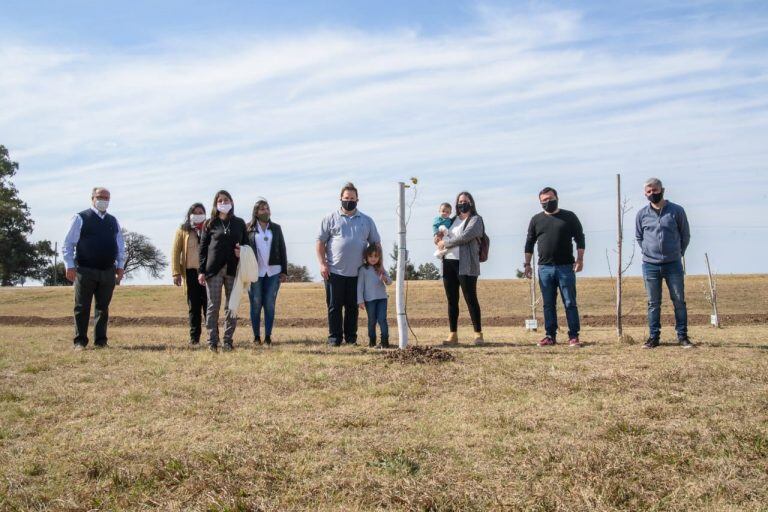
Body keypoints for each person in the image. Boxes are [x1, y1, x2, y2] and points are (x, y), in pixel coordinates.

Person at [316, 182, 381, 347]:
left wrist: (378, 265)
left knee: (353, 308)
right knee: (334, 307)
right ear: (340, 198)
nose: (349, 201)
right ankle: (334, 339)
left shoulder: (366, 221)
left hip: (358, 273)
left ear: (357, 199)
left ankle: (351, 338)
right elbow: (320, 243)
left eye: (352, 198)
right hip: (334, 272)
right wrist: (322, 264)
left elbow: (376, 244)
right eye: (346, 198)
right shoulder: (330, 218)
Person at [62, 187, 125, 350]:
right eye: (100, 197)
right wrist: (69, 265)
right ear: (92, 198)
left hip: (107, 270)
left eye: (106, 198)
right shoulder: (80, 218)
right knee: (82, 306)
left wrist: (120, 266)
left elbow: (120, 245)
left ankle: (101, 341)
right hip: (85, 269)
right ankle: (80, 341)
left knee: (103, 308)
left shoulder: (113, 220)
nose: (103, 200)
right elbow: (68, 244)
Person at [524, 187, 585, 348]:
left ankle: (573, 336)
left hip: (566, 267)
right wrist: (527, 264)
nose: (547, 202)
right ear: (540, 202)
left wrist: (580, 259)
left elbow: (580, 238)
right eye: (544, 200)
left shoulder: (569, 216)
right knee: (548, 304)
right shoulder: (536, 219)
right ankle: (550, 335)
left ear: (557, 198)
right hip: (544, 268)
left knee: (570, 302)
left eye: (550, 199)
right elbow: (529, 243)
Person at [635, 178, 692, 349]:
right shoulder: (642, 214)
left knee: (679, 300)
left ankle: (682, 336)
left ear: (663, 190)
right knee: (653, 303)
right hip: (650, 265)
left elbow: (685, 235)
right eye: (649, 191)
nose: (653, 194)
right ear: (645, 194)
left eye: (655, 190)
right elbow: (639, 237)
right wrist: (649, 253)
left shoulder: (676, 211)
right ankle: (654, 337)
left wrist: (678, 253)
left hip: (673, 264)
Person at [198, 190, 248, 352]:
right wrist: (201, 271)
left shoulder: (239, 223)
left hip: (233, 269)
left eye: (226, 200)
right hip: (213, 270)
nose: (223, 202)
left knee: (231, 306)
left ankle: (228, 341)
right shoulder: (209, 223)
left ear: (232, 202)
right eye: (220, 200)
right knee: (213, 306)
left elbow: (248, 245)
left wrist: (243, 251)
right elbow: (203, 249)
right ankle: (212, 341)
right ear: (216, 203)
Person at [435, 191, 485, 345]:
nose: (462, 203)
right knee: (452, 300)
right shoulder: (452, 220)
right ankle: (453, 334)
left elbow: (465, 236)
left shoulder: (476, 219)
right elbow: (441, 231)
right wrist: (436, 237)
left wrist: (446, 244)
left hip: (466, 264)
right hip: (448, 263)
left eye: (465, 200)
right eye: (460, 201)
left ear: (471, 202)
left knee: (470, 298)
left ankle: (478, 334)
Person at [246, 198, 288, 346]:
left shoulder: (276, 228)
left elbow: (282, 249)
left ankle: (268, 336)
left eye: (267, 208)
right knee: (256, 303)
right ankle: (256, 337)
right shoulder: (248, 228)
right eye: (262, 209)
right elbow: (243, 250)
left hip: (273, 272)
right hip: (254, 272)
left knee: (269, 304)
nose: (266, 211)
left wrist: (284, 271)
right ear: (256, 212)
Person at [171, 203, 207, 346]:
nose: (198, 214)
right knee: (194, 307)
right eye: (195, 212)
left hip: (207, 273)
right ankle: (194, 339)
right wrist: (176, 272)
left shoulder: (209, 228)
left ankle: (213, 336)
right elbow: (175, 252)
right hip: (190, 273)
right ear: (190, 214)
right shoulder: (183, 230)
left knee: (209, 306)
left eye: (201, 212)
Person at [357, 244, 392, 348]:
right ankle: (372, 342)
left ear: (379, 257)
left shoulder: (381, 268)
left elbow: (390, 281)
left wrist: (385, 278)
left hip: (382, 299)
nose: (373, 259)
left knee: (382, 320)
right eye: (371, 256)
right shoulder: (363, 269)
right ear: (366, 257)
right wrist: (360, 301)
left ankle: (384, 342)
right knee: (372, 321)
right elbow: (360, 286)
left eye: (376, 256)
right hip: (369, 300)